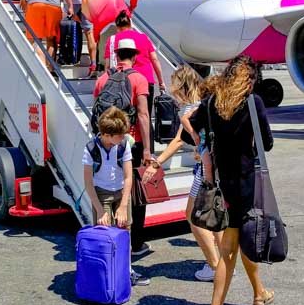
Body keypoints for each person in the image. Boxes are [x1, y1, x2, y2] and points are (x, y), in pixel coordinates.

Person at [189, 56, 275, 305]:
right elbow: (268, 144)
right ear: (249, 80)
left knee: (239, 239)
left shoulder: (212, 103)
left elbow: (190, 128)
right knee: (229, 250)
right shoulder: (253, 103)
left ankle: (259, 293)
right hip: (247, 185)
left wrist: (204, 148)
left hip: (221, 186)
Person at [143, 66, 221, 281]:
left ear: (182, 85)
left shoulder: (191, 108)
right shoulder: (206, 101)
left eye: (174, 83)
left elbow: (179, 140)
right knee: (214, 215)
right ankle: (224, 262)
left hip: (205, 168)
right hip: (215, 164)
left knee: (194, 216)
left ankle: (215, 267)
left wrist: (157, 163)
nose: (171, 88)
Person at [92, 38, 153, 258]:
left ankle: (110, 242)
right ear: (135, 56)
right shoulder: (139, 78)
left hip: (107, 144)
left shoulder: (103, 79)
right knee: (135, 193)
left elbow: (98, 113)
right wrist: (147, 149)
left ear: (116, 55)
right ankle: (135, 243)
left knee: (111, 188)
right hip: (130, 142)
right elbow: (144, 115)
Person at [81, 106, 149, 286]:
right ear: (107, 134)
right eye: (119, 135)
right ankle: (106, 275)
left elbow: (128, 177)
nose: (123, 137)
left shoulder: (124, 144)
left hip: (121, 192)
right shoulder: (90, 149)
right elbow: (88, 182)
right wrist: (99, 210)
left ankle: (127, 271)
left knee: (125, 231)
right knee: (104, 234)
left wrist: (123, 206)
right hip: (101, 193)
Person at [105, 10, 166, 145]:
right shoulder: (143, 37)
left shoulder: (112, 40)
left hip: (123, 82)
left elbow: (108, 66)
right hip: (145, 81)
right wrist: (161, 82)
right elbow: (155, 60)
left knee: (123, 118)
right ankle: (147, 151)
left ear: (117, 27)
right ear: (130, 24)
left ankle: (127, 150)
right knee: (145, 117)